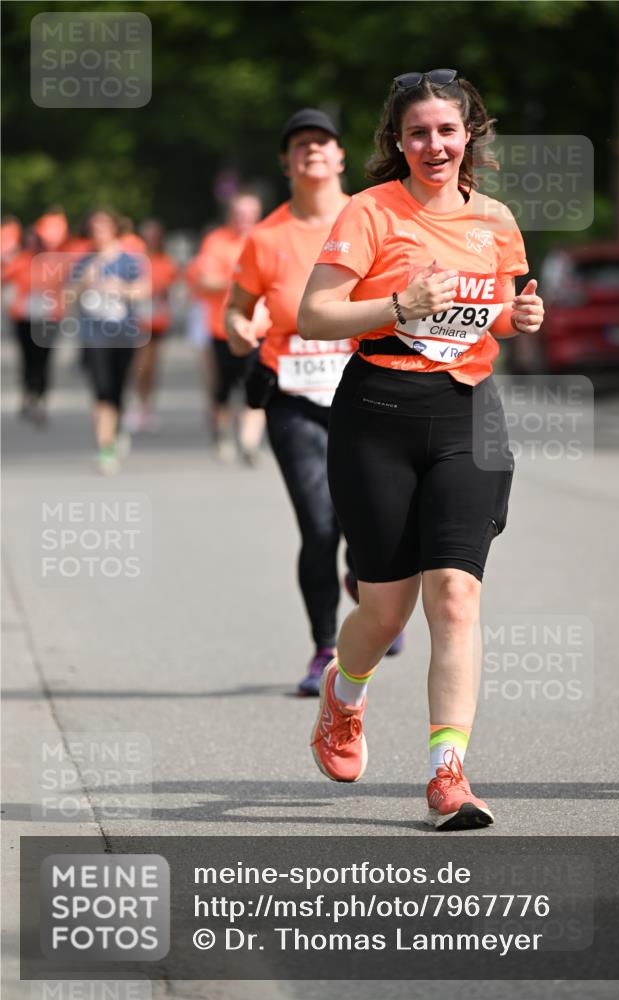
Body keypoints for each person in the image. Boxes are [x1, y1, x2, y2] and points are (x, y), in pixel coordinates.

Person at [299, 70, 544, 828]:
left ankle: (447, 775)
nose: (432, 145)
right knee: (384, 609)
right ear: (396, 142)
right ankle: (345, 693)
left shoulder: (497, 221)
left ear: (469, 132)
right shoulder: (371, 212)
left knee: (456, 596)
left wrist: (519, 317)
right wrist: (398, 303)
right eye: (417, 133)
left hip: (466, 414)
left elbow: (495, 316)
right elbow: (314, 312)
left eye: (446, 130)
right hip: (376, 413)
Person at [226, 109, 405, 697]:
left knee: (370, 524)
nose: (311, 151)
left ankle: (368, 593)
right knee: (318, 523)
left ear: (339, 158)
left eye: (322, 141)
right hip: (295, 397)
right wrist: (239, 330)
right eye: (299, 144)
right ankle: (325, 648)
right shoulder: (266, 236)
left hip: (370, 391)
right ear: (286, 162)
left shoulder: (375, 217)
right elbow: (236, 307)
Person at [189, 193, 266, 464]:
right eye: (239, 213)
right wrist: (241, 281)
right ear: (230, 214)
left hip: (259, 329)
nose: (243, 219)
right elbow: (206, 281)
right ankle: (220, 435)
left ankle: (249, 443)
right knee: (221, 389)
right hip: (222, 329)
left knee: (254, 388)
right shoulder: (216, 241)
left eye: (249, 214)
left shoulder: (266, 237)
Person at [70, 208, 147, 475]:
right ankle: (105, 445)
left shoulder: (128, 259)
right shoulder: (83, 261)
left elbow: (143, 290)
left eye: (103, 227)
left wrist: (121, 288)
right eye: (94, 228)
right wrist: (83, 283)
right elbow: (66, 297)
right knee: (101, 389)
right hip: (93, 333)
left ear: (114, 228)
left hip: (123, 333)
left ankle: (117, 426)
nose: (98, 233)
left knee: (117, 388)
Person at [2, 226, 61, 424]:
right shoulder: (19, 260)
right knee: (27, 357)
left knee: (43, 358)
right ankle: (28, 393)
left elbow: (60, 282)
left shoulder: (50, 261)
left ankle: (41, 395)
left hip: (47, 316)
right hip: (24, 316)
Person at [124, 219, 179, 433]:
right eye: (148, 236)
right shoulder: (134, 261)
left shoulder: (166, 261)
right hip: (138, 320)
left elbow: (173, 288)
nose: (151, 240)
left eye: (155, 236)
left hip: (158, 320)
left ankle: (147, 406)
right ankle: (135, 404)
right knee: (139, 365)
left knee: (152, 368)